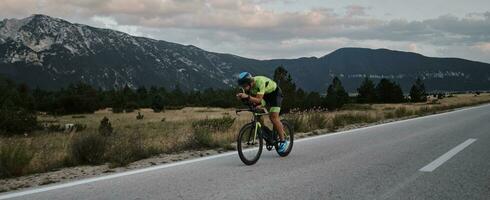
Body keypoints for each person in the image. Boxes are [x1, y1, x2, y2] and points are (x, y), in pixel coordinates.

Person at [236, 72, 289, 152]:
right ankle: (267, 133)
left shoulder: (259, 82)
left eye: (244, 86)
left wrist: (247, 96)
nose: (244, 88)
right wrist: (242, 98)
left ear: (250, 82)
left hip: (275, 95)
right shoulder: (248, 87)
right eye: (242, 86)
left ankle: (283, 141)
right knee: (257, 112)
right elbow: (252, 101)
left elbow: (258, 100)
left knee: (273, 117)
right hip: (264, 96)